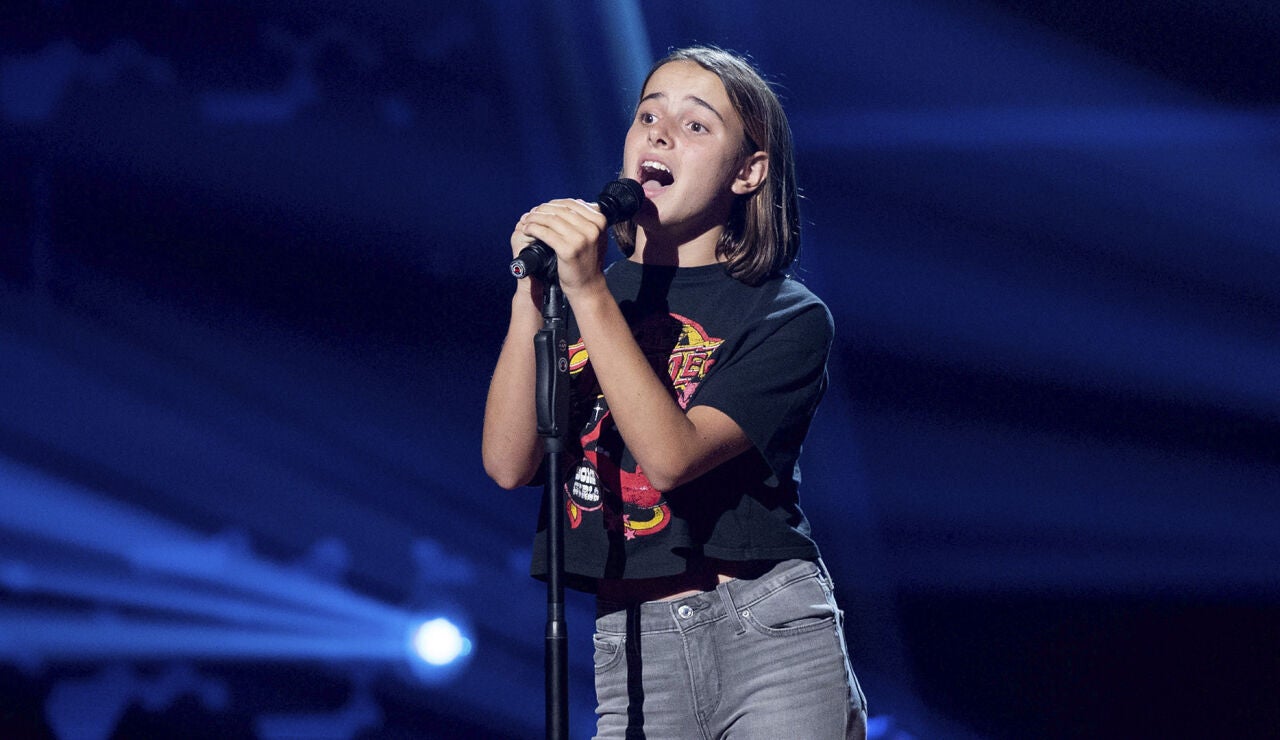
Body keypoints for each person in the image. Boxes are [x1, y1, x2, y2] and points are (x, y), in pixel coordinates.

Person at [482, 45, 867, 738]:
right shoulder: (580, 294)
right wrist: (530, 299)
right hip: (631, 639)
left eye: (696, 126)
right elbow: (511, 463)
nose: (659, 133)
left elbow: (670, 457)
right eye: (647, 116)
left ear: (748, 172)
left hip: (765, 631)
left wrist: (590, 290)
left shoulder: (786, 314)